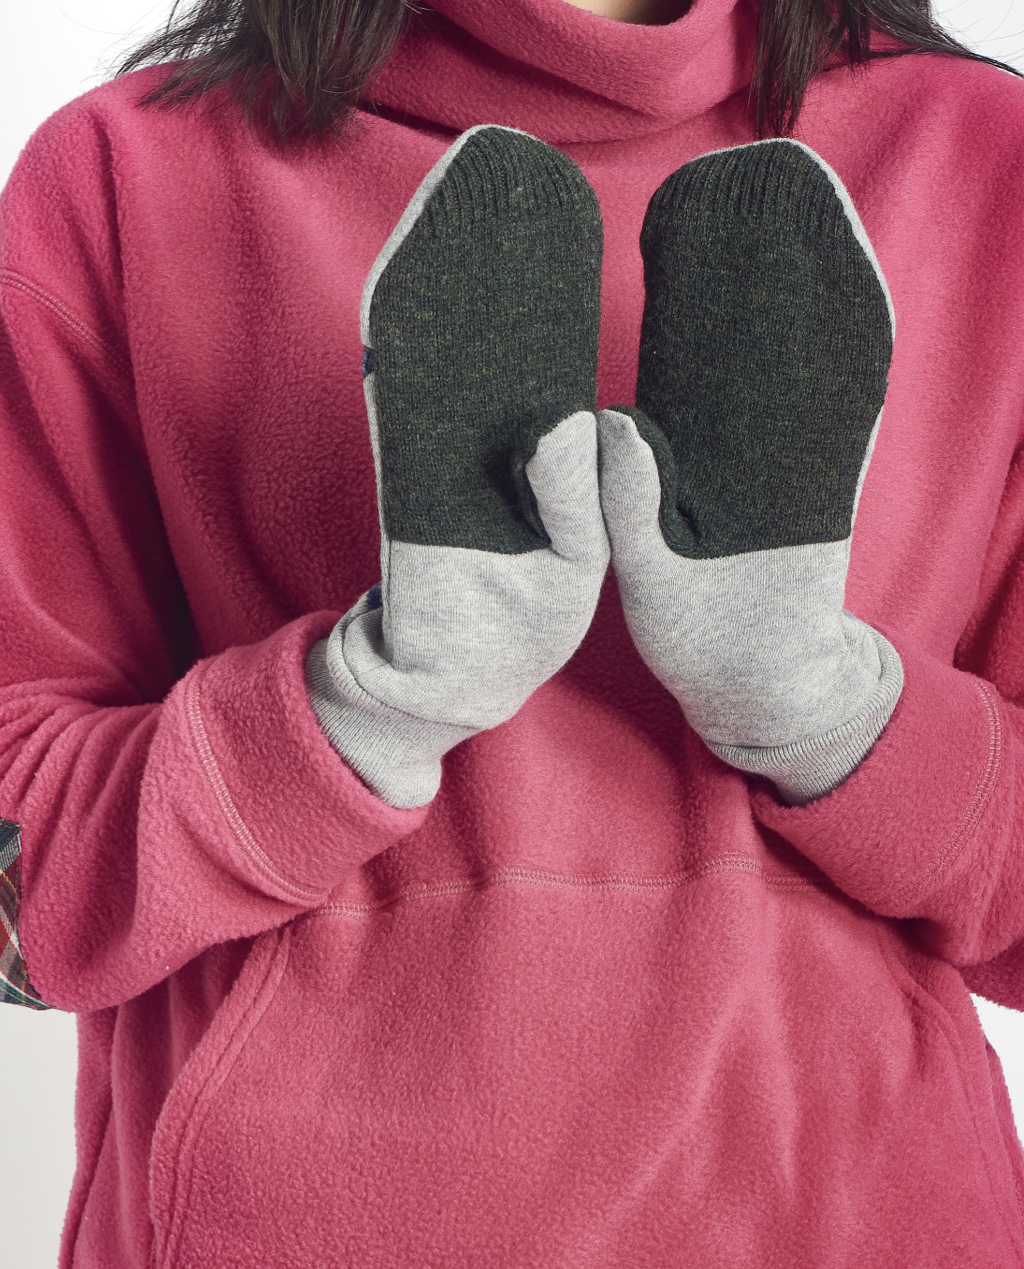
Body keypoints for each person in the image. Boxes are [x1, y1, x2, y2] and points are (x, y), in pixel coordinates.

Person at [2, 0, 1024, 1264]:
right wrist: (355, 709)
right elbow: (12, 916)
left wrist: (834, 714)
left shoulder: (987, 167)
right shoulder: (125, 178)